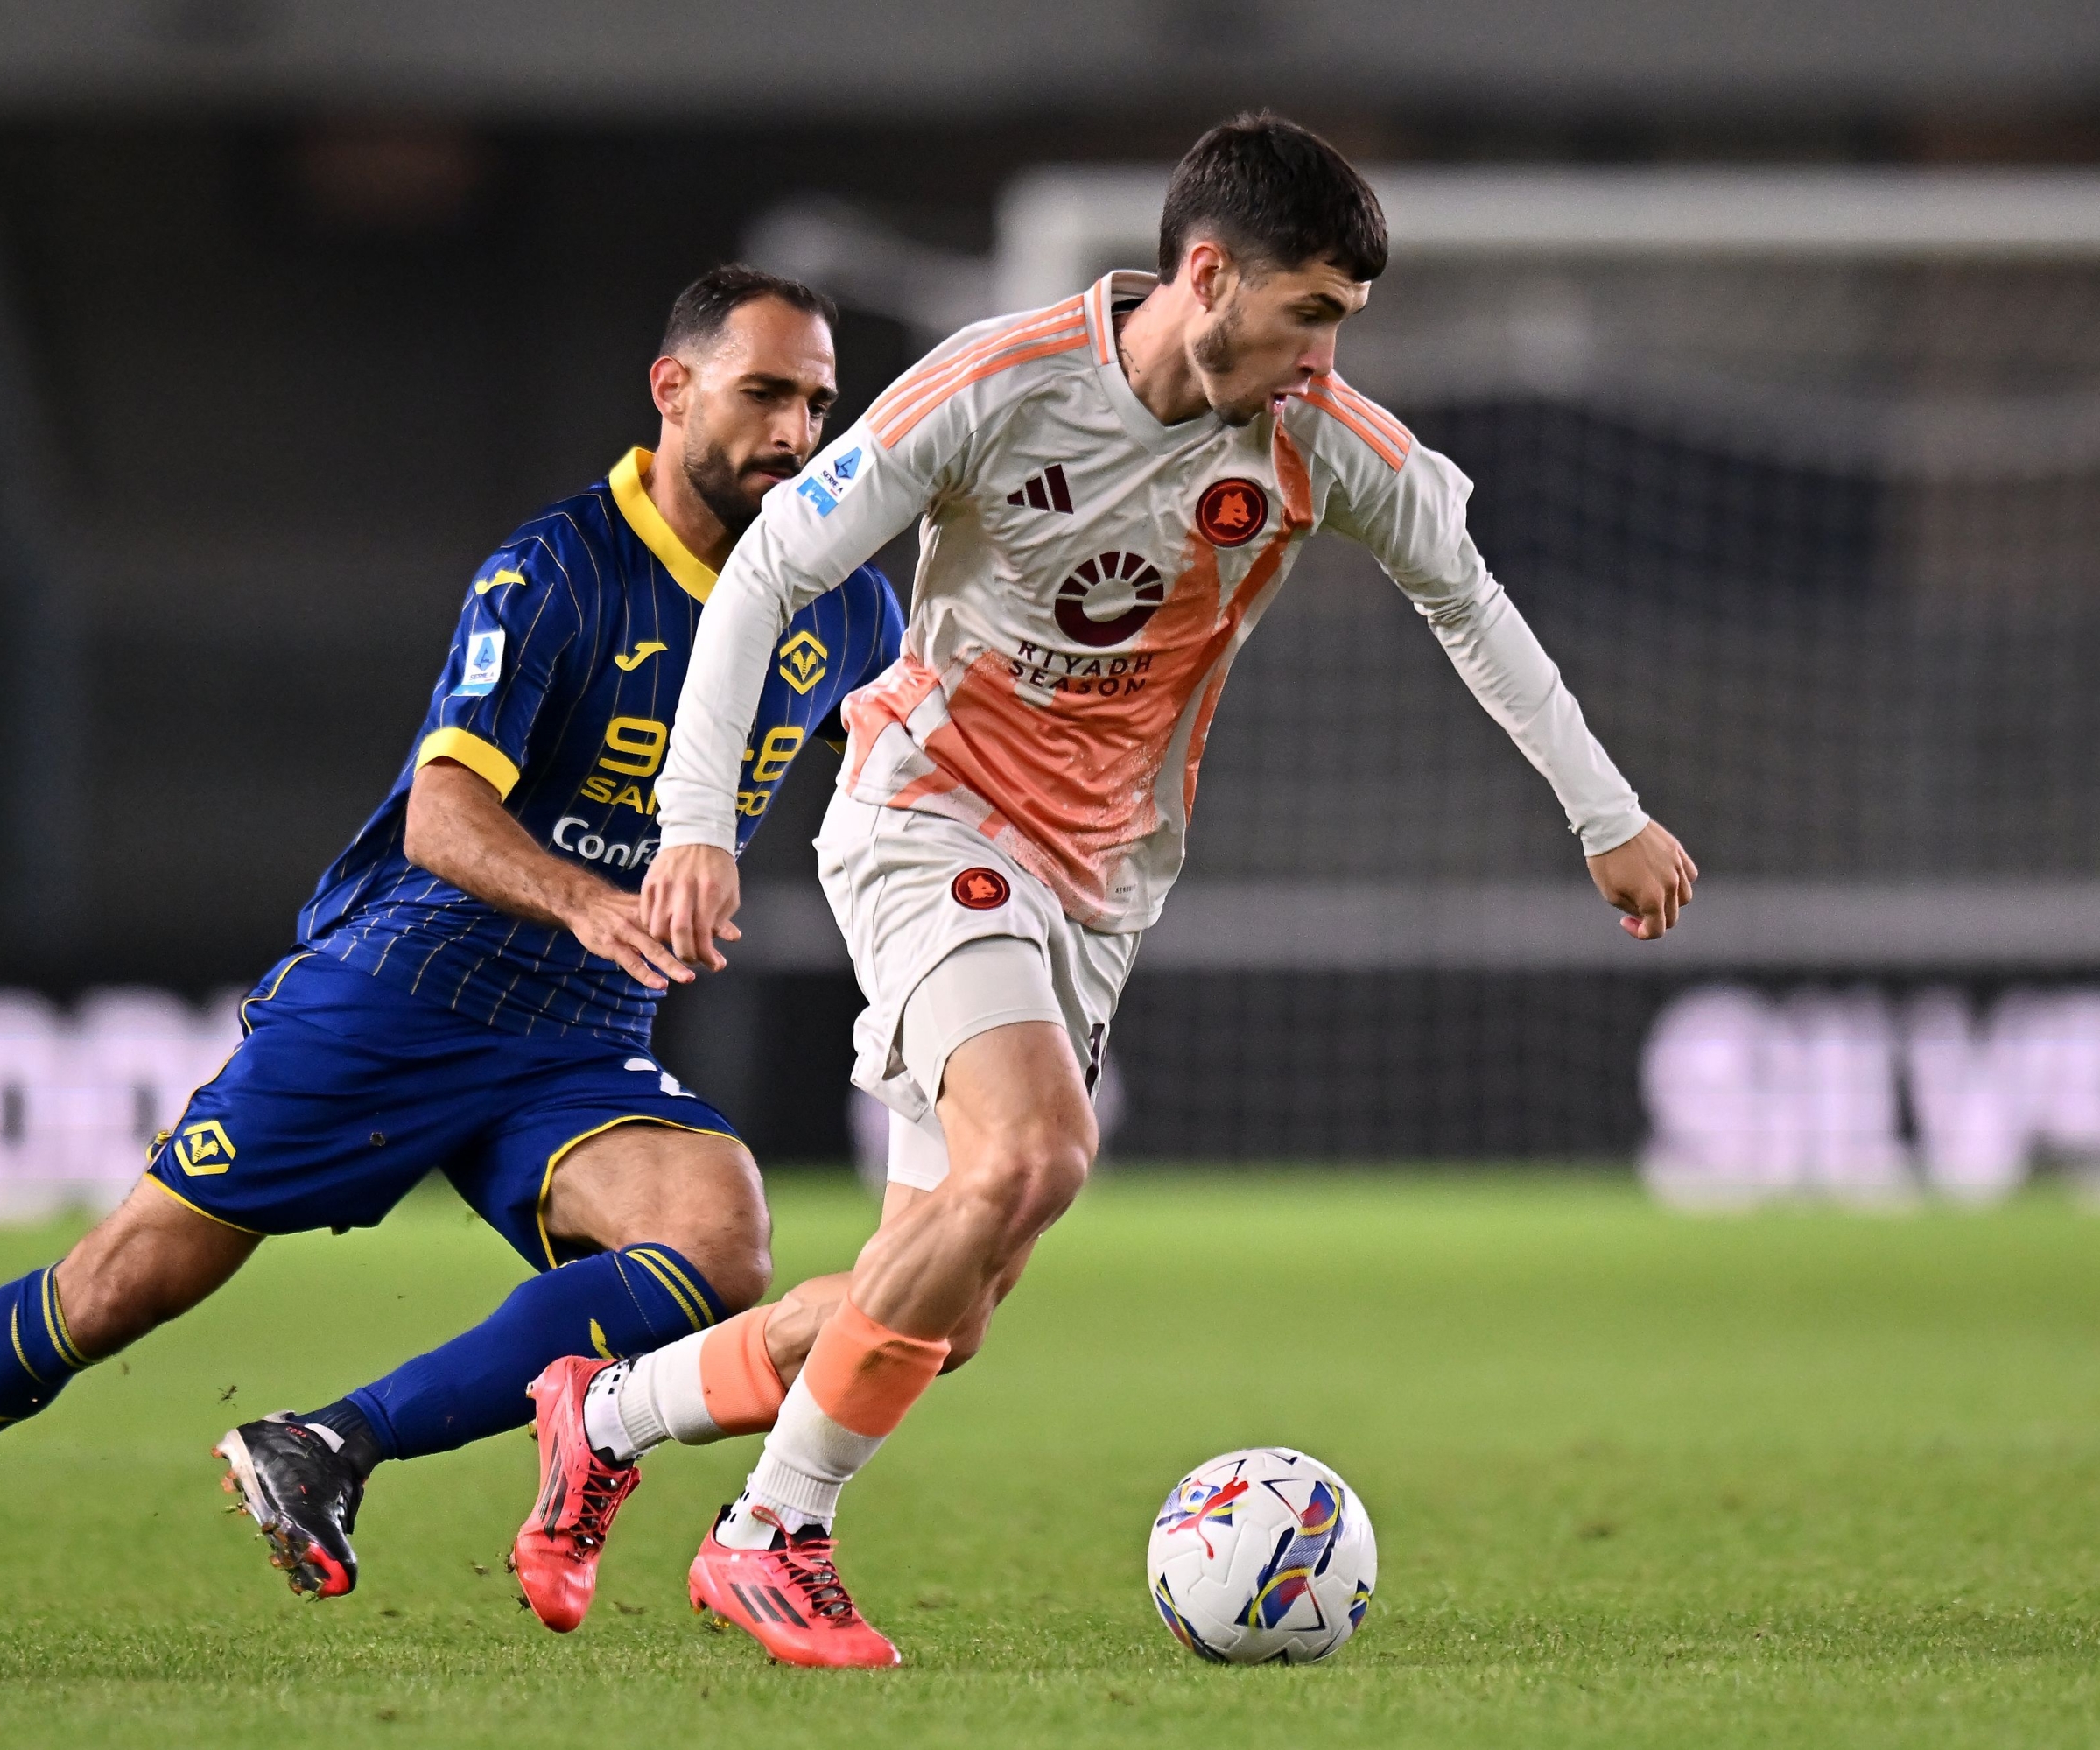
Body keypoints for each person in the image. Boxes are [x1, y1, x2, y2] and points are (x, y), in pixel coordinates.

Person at [599, 113, 1696, 1668]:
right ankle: (774, 1534)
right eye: (1310, 312)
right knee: (1040, 1150)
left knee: (948, 1305)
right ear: (1207, 275)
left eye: (1345, 324)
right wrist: (694, 821)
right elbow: (777, 558)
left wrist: (1608, 814)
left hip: (1099, 881)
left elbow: (1472, 603)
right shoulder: (1000, 381)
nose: (1327, 356)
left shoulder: (1323, 442)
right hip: (930, 812)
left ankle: (611, 1408)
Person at [0, 264, 904, 1643]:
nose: (794, 434)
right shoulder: (558, 568)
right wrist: (583, 898)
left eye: (816, 403)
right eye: (764, 393)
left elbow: (921, 754)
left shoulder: (844, 607)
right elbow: (444, 817)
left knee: (718, 1239)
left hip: (579, 1031)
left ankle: (330, 1446)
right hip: (411, 989)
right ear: (674, 388)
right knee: (116, 1289)